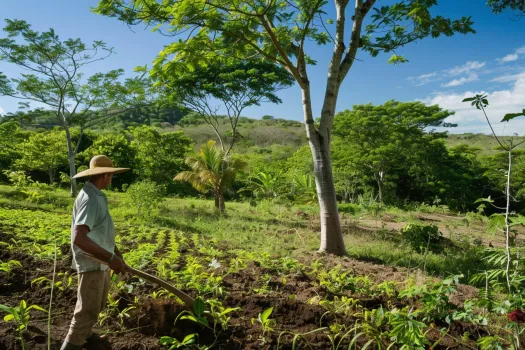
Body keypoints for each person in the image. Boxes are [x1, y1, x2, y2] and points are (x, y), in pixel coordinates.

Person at [60, 155, 130, 350]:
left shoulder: (97, 195)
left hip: (102, 261)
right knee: (87, 311)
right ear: (105, 175)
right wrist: (110, 257)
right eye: (111, 175)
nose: (111, 178)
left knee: (96, 305)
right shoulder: (90, 199)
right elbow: (79, 237)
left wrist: (116, 254)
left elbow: (100, 230)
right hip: (93, 261)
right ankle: (71, 345)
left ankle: (87, 336)